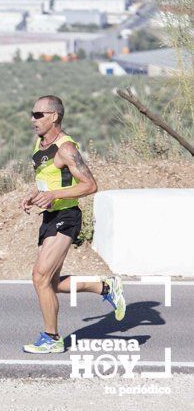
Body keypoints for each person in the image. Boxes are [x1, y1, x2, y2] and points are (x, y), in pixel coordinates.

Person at [21, 95, 126, 354]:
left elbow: (90, 185)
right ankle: (105, 286)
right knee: (52, 283)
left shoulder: (66, 148)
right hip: (50, 217)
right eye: (32, 114)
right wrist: (35, 196)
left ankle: (51, 337)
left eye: (39, 115)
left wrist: (54, 196)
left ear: (54, 116)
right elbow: (51, 182)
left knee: (39, 277)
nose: (33, 119)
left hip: (66, 217)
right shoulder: (40, 143)